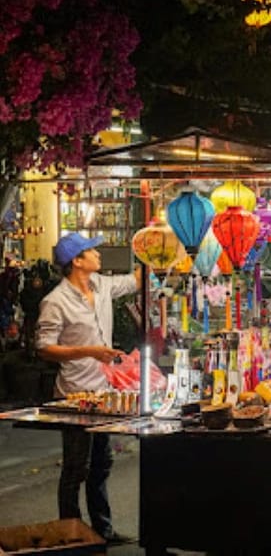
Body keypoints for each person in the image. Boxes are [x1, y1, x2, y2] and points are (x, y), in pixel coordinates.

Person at [35, 233, 142, 545]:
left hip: (103, 392)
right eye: (91, 251)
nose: (98, 254)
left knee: (101, 464)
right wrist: (90, 351)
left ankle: (102, 531)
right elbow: (44, 348)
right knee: (75, 469)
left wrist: (160, 249)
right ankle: (73, 534)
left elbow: (136, 280)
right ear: (77, 261)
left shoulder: (102, 285)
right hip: (74, 395)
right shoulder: (55, 301)